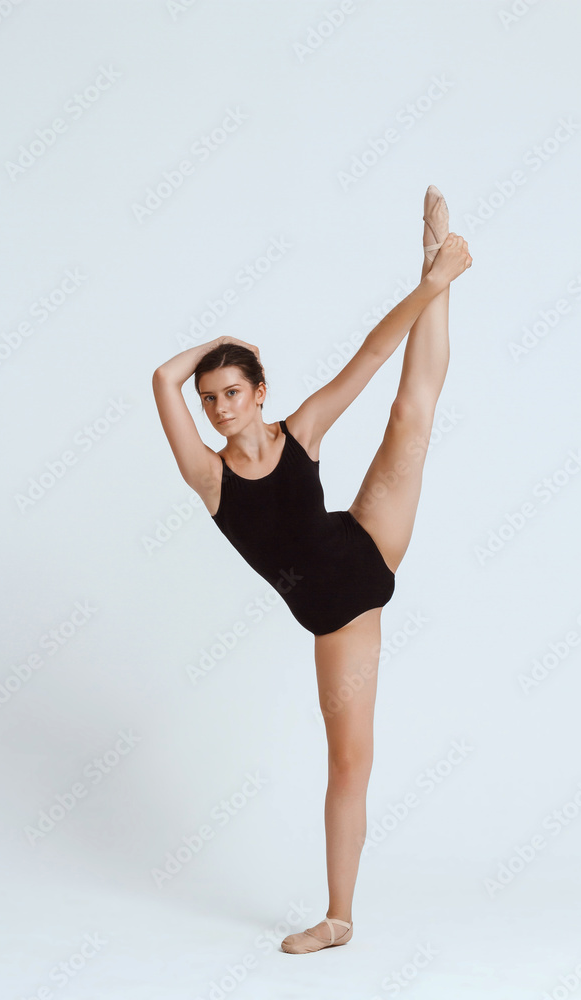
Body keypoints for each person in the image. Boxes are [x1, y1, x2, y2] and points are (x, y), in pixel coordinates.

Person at [152, 186, 472, 954]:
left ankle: (439, 267)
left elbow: (368, 354)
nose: (219, 408)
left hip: (367, 541)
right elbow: (162, 382)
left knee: (411, 411)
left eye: (232, 393)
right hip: (337, 614)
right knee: (350, 760)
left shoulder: (299, 431)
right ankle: (339, 918)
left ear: (259, 395)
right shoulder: (210, 478)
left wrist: (429, 282)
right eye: (211, 400)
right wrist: (215, 343)